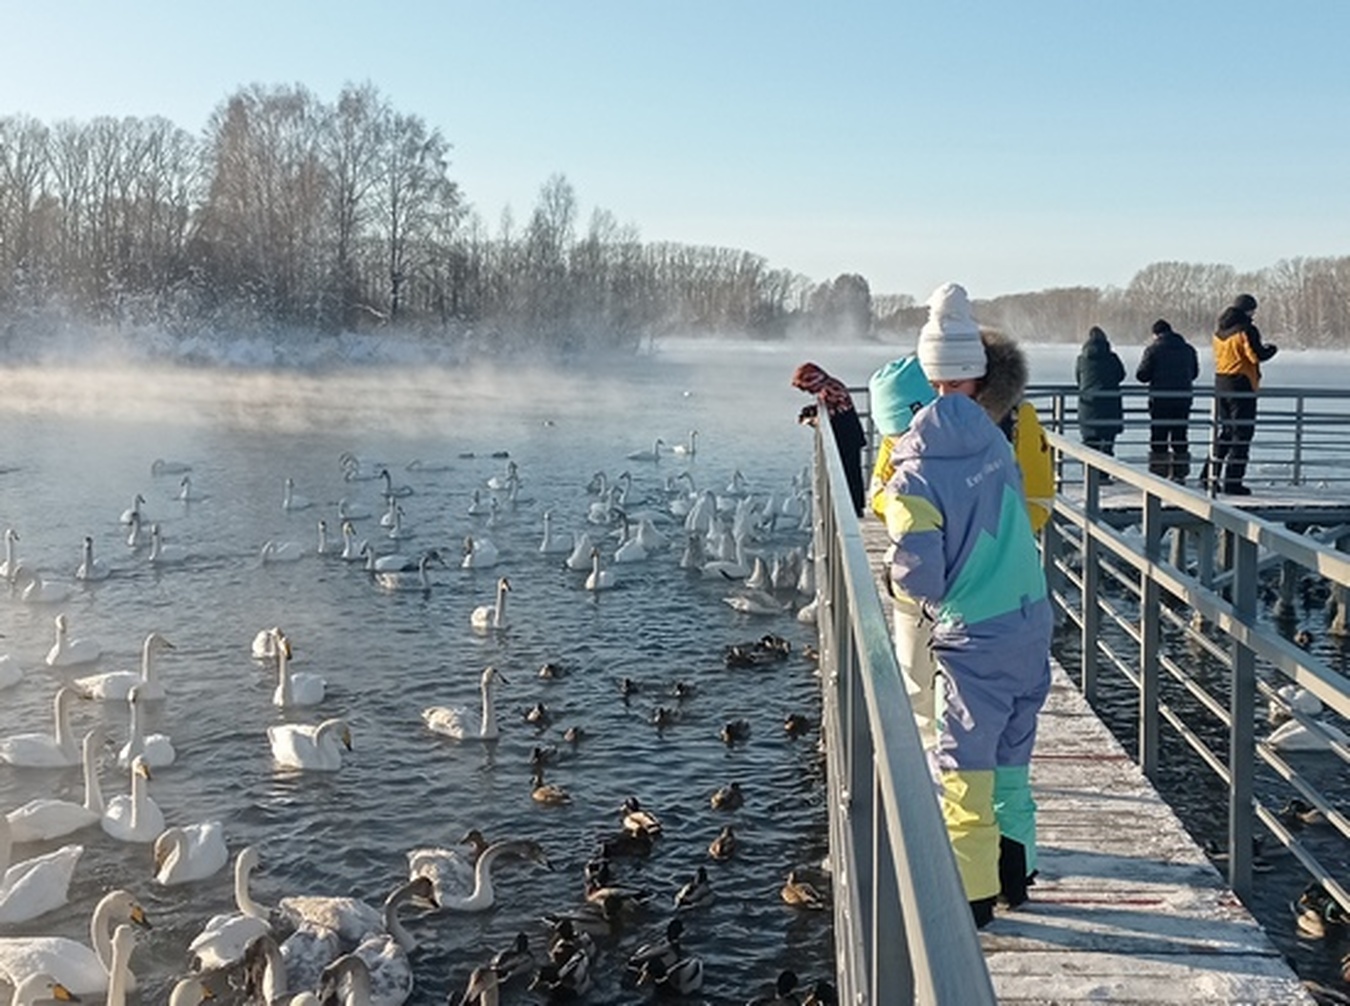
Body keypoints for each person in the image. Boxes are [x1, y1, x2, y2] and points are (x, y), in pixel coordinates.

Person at [878, 282, 1053, 928]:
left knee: (964, 767)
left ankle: (974, 898)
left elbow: (919, 575)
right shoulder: (996, 443)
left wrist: (908, 570)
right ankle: (1018, 871)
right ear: (979, 378)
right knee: (1013, 753)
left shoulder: (915, 466)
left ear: (928, 377)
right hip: (1030, 619)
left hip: (974, 633)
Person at [867, 355, 938, 749]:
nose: (897, 440)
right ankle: (927, 752)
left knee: (951, 676)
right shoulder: (894, 446)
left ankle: (943, 751)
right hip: (913, 570)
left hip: (960, 578)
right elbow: (877, 495)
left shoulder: (965, 440)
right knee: (914, 668)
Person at [1208, 293, 1278, 495]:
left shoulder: (1220, 332)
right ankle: (1233, 481)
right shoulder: (1246, 329)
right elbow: (1255, 355)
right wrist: (1271, 350)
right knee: (1242, 435)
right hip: (1242, 384)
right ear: (1249, 310)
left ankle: (1209, 476)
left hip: (1221, 382)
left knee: (1225, 433)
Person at [792, 361, 867, 516]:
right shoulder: (829, 385)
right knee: (852, 472)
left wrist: (811, 420)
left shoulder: (829, 389)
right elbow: (829, 407)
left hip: (847, 436)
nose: (807, 391)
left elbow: (832, 414)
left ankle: (853, 509)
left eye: (806, 387)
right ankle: (855, 507)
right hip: (848, 434)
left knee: (849, 473)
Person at [1136, 319, 1199, 484]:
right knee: (1180, 435)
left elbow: (1142, 375)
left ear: (1156, 334)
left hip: (1160, 399)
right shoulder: (1188, 349)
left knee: (1159, 435)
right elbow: (1194, 373)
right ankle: (1180, 474)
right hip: (1182, 398)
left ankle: (1159, 475)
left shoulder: (1153, 350)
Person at [1074, 326, 1126, 459]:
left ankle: (1090, 477)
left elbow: (1079, 380)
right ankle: (1104, 477)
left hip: (1088, 407)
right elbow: (1121, 375)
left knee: (1089, 447)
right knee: (1107, 446)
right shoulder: (1112, 358)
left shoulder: (1082, 359)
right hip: (1110, 407)